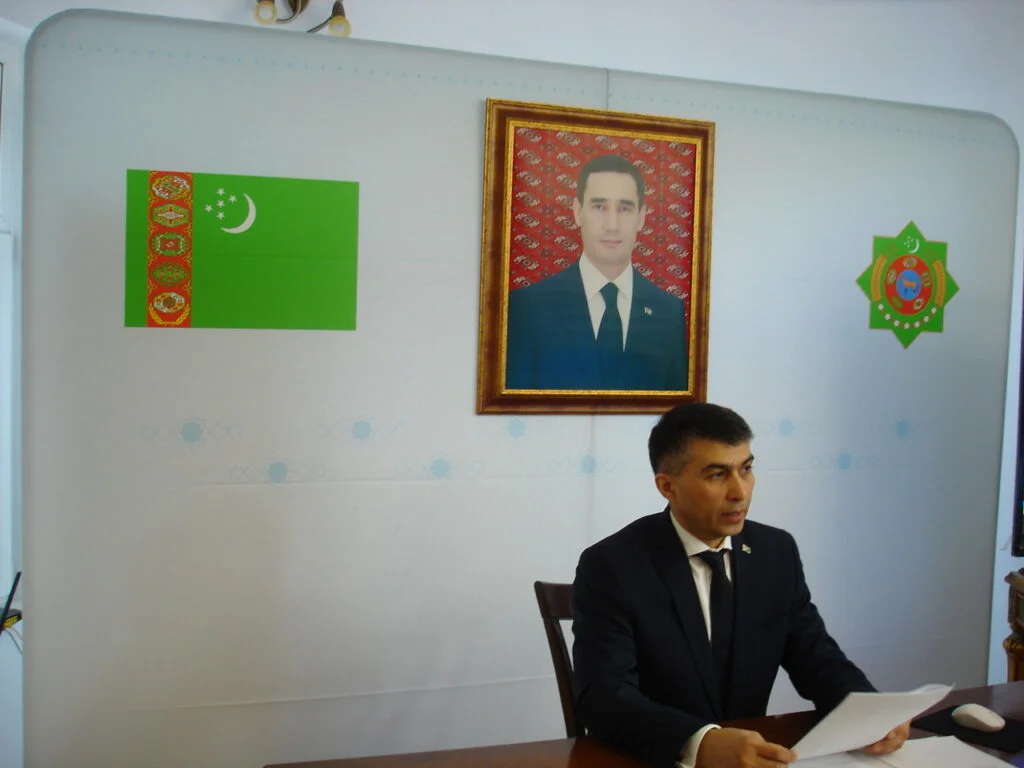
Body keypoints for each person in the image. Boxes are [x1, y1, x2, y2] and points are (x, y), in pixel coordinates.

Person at [571, 403, 910, 768]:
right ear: (668, 486)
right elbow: (603, 696)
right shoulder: (613, 565)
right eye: (717, 475)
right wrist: (699, 742)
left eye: (746, 469)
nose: (740, 492)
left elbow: (816, 657)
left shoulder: (774, 552)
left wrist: (868, 711)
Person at [505, 154, 687, 391]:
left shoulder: (668, 311)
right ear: (577, 211)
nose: (612, 225)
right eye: (599, 207)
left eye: (624, 208)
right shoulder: (528, 307)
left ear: (641, 217)